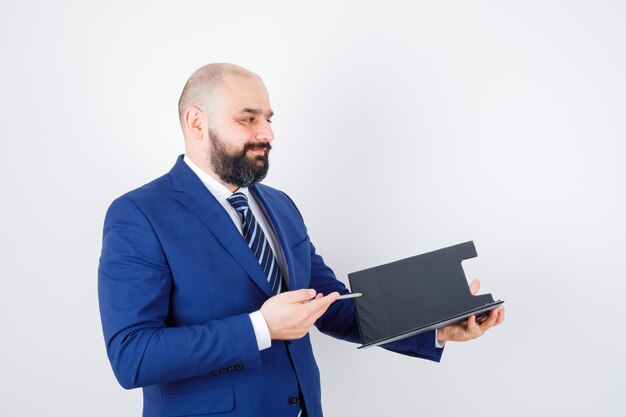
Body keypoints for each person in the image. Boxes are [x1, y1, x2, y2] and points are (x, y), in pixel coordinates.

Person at [98, 63, 505, 417]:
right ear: (197, 122)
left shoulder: (279, 205)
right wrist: (261, 327)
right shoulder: (139, 214)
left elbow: (329, 305)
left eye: (269, 118)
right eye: (248, 119)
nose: (268, 133)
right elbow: (133, 355)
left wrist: (432, 328)